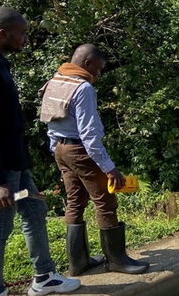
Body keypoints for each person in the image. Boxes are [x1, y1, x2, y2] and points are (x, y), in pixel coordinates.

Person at [0, 7, 80, 296]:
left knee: (34, 209)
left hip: (13, 165)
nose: (26, 38)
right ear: (2, 33)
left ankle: (44, 277)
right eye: (22, 33)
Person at [40, 44, 149, 275]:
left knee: (75, 201)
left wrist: (57, 151)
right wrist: (110, 168)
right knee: (106, 202)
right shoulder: (82, 88)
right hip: (80, 150)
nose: (97, 75)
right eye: (98, 69)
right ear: (87, 63)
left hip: (61, 149)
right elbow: (89, 135)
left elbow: (50, 122)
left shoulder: (55, 81)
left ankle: (78, 263)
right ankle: (117, 260)